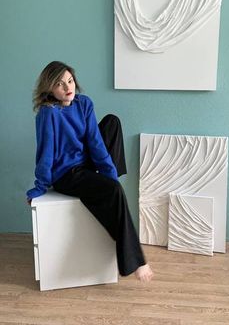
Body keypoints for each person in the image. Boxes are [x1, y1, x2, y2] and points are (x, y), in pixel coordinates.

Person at [26, 61, 153, 283]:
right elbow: (45, 154)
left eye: (70, 80)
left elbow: (96, 143)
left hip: (86, 163)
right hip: (66, 174)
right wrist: (39, 187)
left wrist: (110, 176)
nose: (67, 87)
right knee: (112, 190)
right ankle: (137, 261)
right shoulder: (48, 114)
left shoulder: (84, 103)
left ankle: (107, 187)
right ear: (49, 89)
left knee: (111, 122)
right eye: (59, 84)